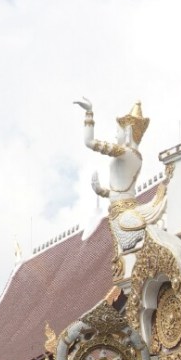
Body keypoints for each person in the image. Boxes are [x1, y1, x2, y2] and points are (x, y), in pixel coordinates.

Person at [73, 98, 154, 250]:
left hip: (122, 213)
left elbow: (89, 142)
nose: (116, 136)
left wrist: (89, 113)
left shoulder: (125, 152)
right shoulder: (135, 156)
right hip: (120, 210)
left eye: (118, 131)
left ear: (128, 131)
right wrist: (101, 191)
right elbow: (121, 190)